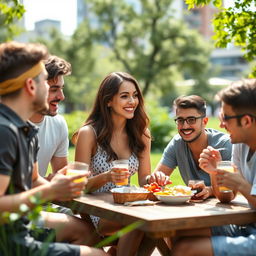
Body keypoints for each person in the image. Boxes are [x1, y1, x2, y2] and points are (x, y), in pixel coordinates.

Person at [0, 41, 107, 256]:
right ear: (31, 86)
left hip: (20, 232)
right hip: (9, 243)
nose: (59, 95)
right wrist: (50, 191)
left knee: (91, 239)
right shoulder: (5, 131)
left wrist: (61, 183)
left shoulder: (25, 130)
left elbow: (34, 179)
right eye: (47, 84)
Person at [172, 79, 256, 256]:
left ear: (247, 121)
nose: (221, 125)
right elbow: (227, 197)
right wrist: (214, 172)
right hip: (246, 226)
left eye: (226, 118)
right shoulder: (240, 143)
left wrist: (241, 184)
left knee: (184, 249)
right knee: (175, 232)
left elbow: (240, 188)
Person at [72, 71, 151, 256]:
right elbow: (78, 187)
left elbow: (144, 180)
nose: (132, 101)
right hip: (99, 211)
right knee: (138, 223)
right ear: (108, 101)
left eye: (135, 95)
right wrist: (107, 176)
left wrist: (156, 180)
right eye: (124, 96)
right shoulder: (89, 134)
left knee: (156, 229)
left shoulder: (141, 133)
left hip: (129, 206)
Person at [147, 95, 232, 201]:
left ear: (204, 122)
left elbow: (229, 193)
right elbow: (154, 185)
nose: (185, 126)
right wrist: (157, 178)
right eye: (180, 120)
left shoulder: (224, 145)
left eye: (191, 120)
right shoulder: (177, 143)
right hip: (192, 210)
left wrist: (210, 190)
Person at [30, 55, 70, 178]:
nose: (61, 96)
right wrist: (49, 185)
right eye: (54, 89)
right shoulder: (9, 126)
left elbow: (61, 176)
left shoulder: (58, 124)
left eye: (61, 88)